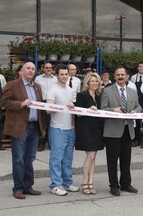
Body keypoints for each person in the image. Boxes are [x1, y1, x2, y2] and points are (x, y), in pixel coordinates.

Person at [1, 62, 46, 199]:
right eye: (28, 68)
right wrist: (21, 104)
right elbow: (4, 103)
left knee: (30, 158)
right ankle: (18, 188)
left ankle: (28, 186)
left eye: (33, 69)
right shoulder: (12, 85)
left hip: (34, 127)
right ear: (22, 71)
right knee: (19, 159)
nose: (31, 71)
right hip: (20, 127)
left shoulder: (37, 87)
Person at [101, 66, 142, 196]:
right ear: (114, 76)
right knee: (112, 161)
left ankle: (125, 184)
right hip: (113, 131)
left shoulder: (132, 91)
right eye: (118, 74)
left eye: (122, 74)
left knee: (126, 160)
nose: (120, 77)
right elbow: (102, 109)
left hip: (127, 130)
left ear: (127, 76)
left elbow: (138, 106)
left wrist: (135, 111)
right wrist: (113, 110)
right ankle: (113, 186)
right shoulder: (107, 91)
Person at [46, 64, 79, 196]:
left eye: (66, 74)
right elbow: (48, 110)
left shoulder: (71, 90)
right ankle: (55, 185)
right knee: (56, 158)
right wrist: (63, 106)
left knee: (67, 159)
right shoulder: (53, 90)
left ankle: (67, 182)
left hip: (70, 129)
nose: (65, 76)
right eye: (62, 74)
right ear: (57, 75)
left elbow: (73, 110)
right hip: (57, 129)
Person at [75, 72, 104, 195]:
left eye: (96, 81)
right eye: (92, 81)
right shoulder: (82, 95)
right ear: (87, 82)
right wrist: (88, 110)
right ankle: (84, 182)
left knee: (94, 157)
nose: (94, 83)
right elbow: (78, 113)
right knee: (90, 156)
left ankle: (91, 182)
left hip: (97, 129)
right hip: (86, 129)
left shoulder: (98, 96)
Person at [35, 62, 57, 151]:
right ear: (43, 69)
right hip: (42, 102)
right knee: (41, 124)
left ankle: (51, 143)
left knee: (51, 124)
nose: (49, 69)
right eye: (47, 68)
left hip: (52, 103)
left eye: (50, 68)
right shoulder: (38, 79)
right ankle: (41, 144)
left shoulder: (55, 79)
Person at [130, 61, 143, 147]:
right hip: (136, 101)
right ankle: (136, 139)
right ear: (137, 68)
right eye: (140, 66)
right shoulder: (133, 77)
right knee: (136, 121)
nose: (141, 68)